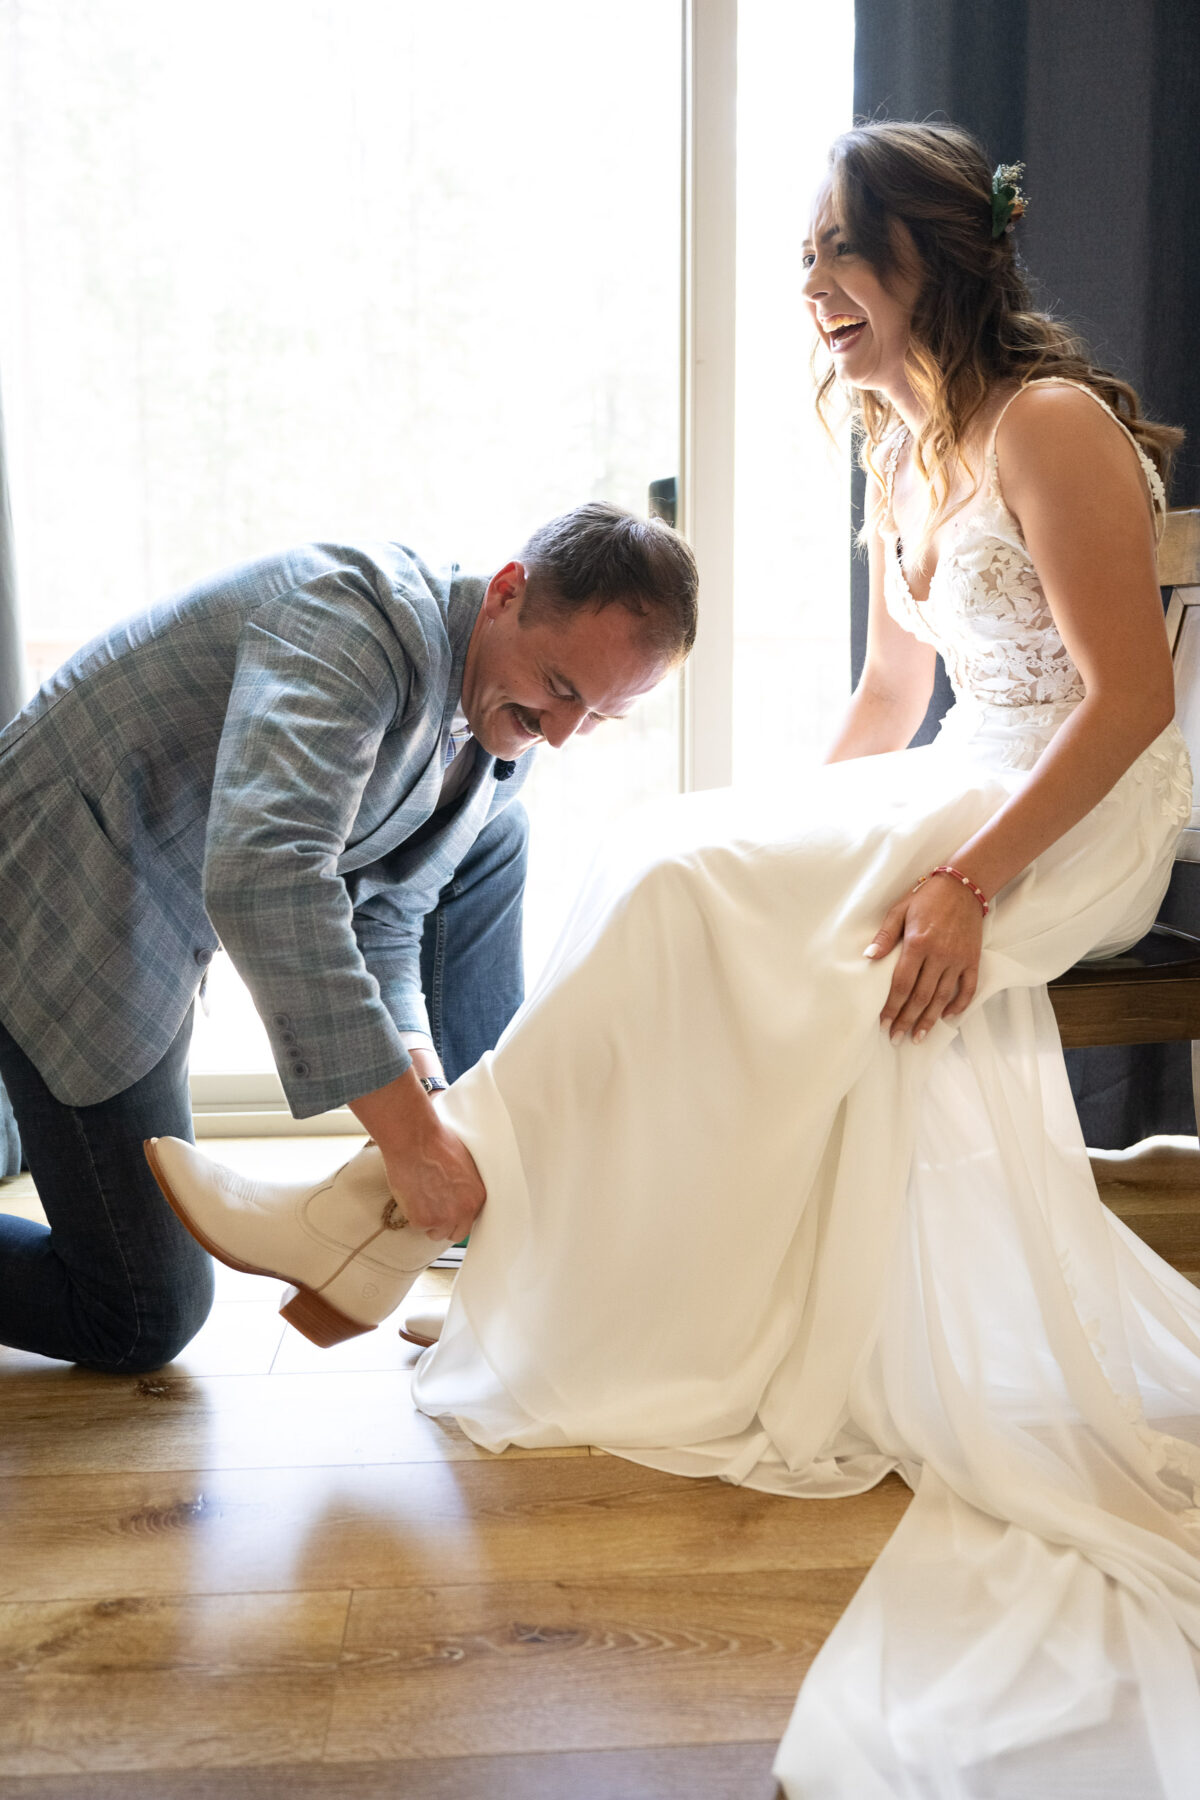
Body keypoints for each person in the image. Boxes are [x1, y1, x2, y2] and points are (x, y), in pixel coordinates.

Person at [144, 122, 1200, 1793]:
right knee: (669, 856)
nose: (810, 291)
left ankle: (388, 1216)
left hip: (1076, 811)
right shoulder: (897, 439)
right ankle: (483, 1231)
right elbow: (881, 708)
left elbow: (1132, 707)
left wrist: (965, 888)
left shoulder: (1047, 424)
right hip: (960, 779)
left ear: (931, 255)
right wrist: (777, 832)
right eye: (805, 264)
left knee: (699, 885)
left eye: (833, 256)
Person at [0, 503, 698, 1372]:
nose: (563, 734)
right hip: (65, 882)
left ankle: (453, 1175)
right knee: (145, 1313)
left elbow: (391, 909)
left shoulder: (499, 730)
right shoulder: (352, 623)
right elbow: (267, 873)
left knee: (494, 840)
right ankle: (418, 1172)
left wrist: (409, 1057)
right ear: (507, 594)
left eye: (599, 716)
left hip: (169, 892)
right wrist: (408, 1138)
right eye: (562, 689)